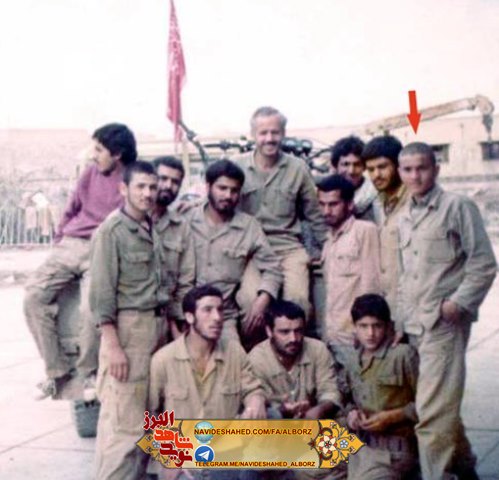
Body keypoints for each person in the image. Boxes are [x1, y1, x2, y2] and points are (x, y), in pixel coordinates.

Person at [396, 142, 497, 480]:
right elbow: (405, 274)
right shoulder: (405, 216)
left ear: (436, 169)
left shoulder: (457, 207)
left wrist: (459, 303)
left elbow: (484, 263)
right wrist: (399, 320)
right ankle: (466, 470)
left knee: (432, 414)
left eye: (422, 168)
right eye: (408, 169)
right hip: (413, 324)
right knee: (440, 405)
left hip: (443, 324)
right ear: (400, 173)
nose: (415, 176)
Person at [23, 123, 137, 400]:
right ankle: (56, 372)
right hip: (71, 245)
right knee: (33, 297)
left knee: (90, 310)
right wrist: (61, 238)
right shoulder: (89, 173)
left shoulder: (133, 180)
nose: (93, 155)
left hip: (103, 248)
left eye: (99, 150)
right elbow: (72, 207)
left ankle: (88, 373)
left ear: (118, 153)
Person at [90, 161, 164, 480]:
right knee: (124, 428)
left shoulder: (149, 225)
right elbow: (100, 295)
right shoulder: (112, 232)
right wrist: (113, 347)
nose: (148, 193)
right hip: (128, 332)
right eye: (140, 187)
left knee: (147, 422)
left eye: (152, 187)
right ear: (124, 189)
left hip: (154, 328)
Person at [149, 284, 266, 480]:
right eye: (207, 310)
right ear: (189, 317)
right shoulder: (163, 360)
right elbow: (150, 416)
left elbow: (252, 389)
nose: (217, 317)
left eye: (220, 310)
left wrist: (255, 401)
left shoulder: (234, 352)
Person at [234, 106, 328, 320]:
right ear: (253, 135)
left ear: (283, 133)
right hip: (252, 251)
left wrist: (328, 247)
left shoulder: (298, 168)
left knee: (298, 302)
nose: (269, 138)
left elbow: (314, 214)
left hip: (289, 249)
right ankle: (260, 343)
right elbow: (218, 198)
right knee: (249, 301)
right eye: (263, 133)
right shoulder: (238, 166)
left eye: (275, 132)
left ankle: (293, 341)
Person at [187, 159, 283, 347]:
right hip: (188, 314)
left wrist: (262, 300)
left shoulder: (249, 226)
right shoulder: (186, 220)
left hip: (224, 316)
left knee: (234, 360)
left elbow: (273, 268)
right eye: (222, 188)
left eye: (234, 190)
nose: (228, 195)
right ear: (208, 187)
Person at [344, 294, 419, 480]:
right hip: (357, 443)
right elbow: (346, 398)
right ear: (354, 327)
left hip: (393, 451)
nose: (370, 333)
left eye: (376, 326)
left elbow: (430, 404)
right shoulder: (352, 360)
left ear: (387, 326)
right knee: (306, 468)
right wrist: (351, 413)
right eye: (363, 326)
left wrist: (393, 416)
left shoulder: (402, 355)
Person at [317, 174, 381, 346]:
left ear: (350, 204)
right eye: (322, 204)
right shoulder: (329, 240)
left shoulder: (364, 231)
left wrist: (365, 330)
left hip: (356, 337)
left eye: (333, 204)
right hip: (332, 335)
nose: (326, 211)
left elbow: (372, 284)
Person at [362, 135, 407, 317]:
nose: (376, 175)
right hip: (392, 306)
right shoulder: (380, 201)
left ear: (398, 165)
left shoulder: (414, 201)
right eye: (371, 169)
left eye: (382, 167)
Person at [152, 156, 195, 340]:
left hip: (167, 316)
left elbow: (186, 280)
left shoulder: (181, 226)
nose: (168, 186)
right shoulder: (132, 220)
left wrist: (178, 319)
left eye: (175, 182)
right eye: (163, 179)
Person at [330, 136, 381, 224]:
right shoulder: (326, 194)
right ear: (336, 166)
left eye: (357, 165)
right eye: (345, 164)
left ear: (364, 167)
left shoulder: (375, 193)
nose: (351, 171)